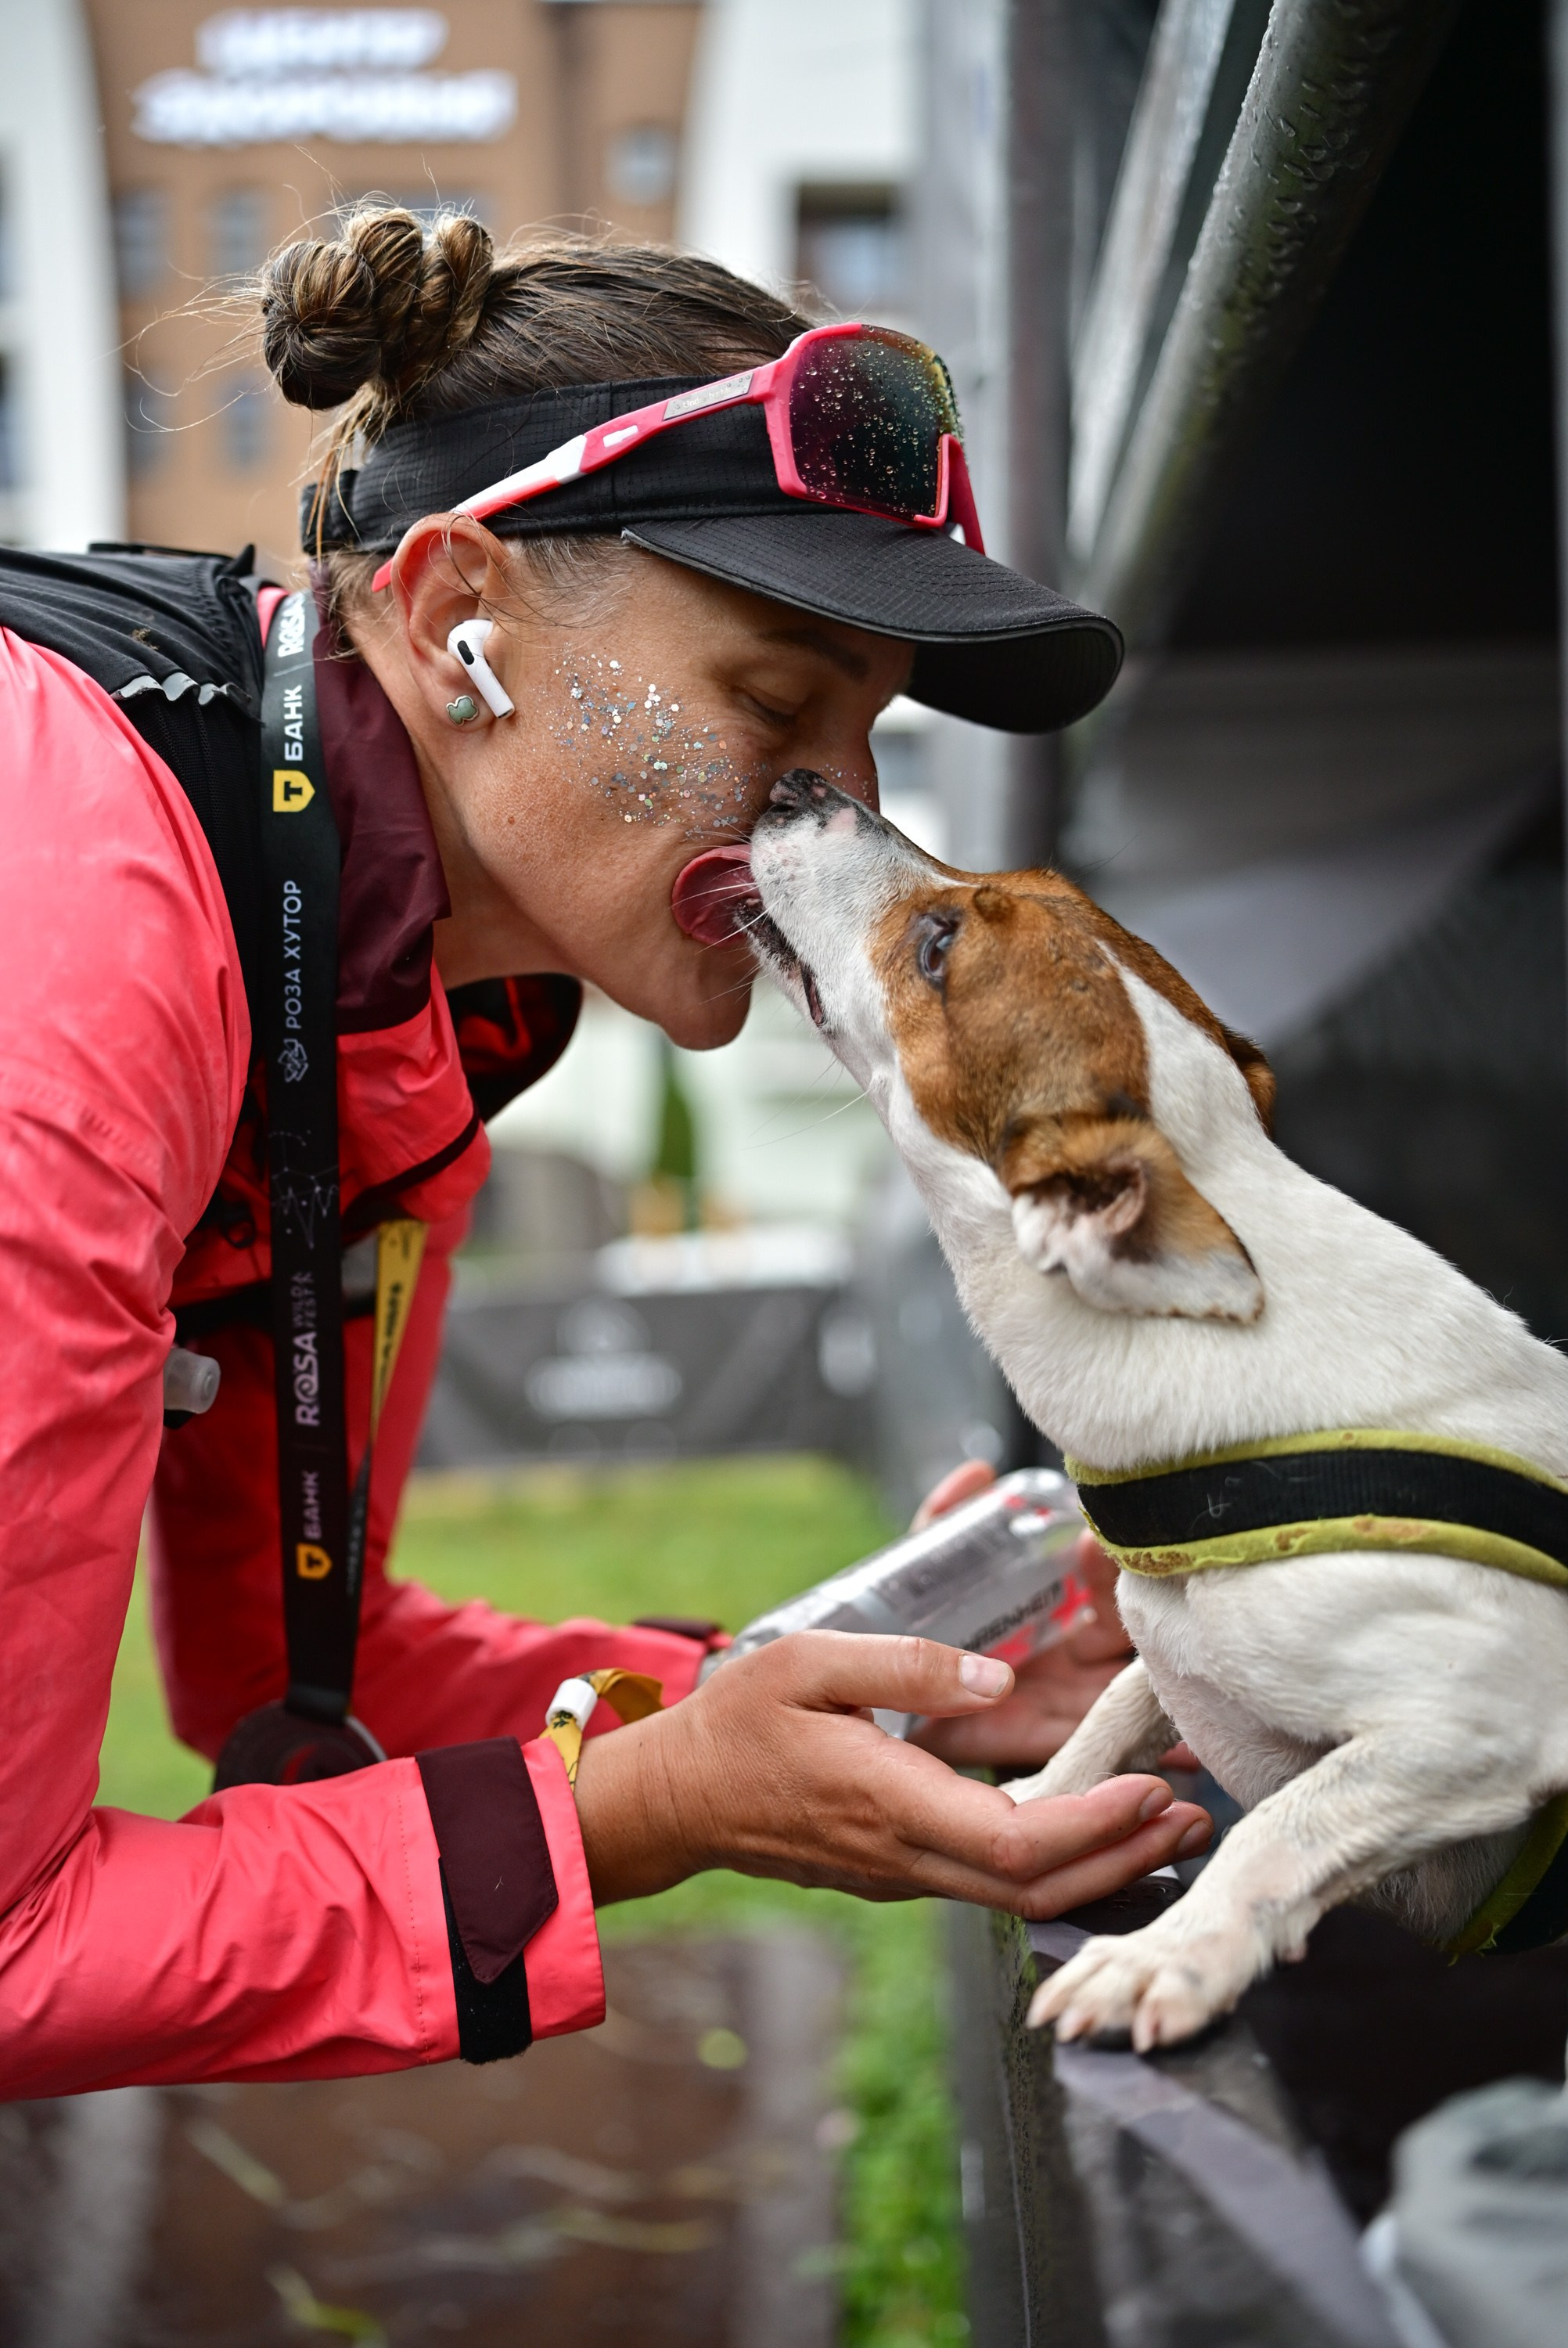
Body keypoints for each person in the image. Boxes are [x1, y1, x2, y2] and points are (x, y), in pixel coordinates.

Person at [0, 210, 1208, 2098]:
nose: (851, 811)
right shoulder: (77, 924)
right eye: (771, 700)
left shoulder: (380, 1005)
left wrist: (855, 1672)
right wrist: (643, 1811)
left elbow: (291, 1675)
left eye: (870, 728)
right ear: (455, 603)